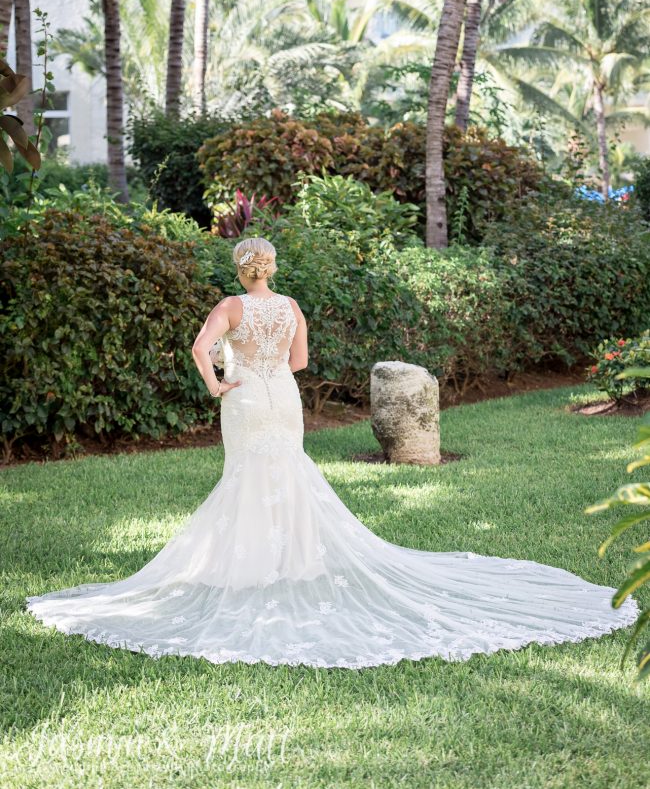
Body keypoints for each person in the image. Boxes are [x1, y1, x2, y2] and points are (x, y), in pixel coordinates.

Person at [26, 236, 638, 668]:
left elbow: (198, 348)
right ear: (270, 268)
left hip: (244, 397)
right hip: (283, 396)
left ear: (240, 269)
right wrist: (264, 363)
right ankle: (294, 560)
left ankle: (248, 565)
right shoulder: (290, 307)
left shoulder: (229, 307)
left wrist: (217, 380)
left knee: (245, 474)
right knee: (287, 471)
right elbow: (298, 362)